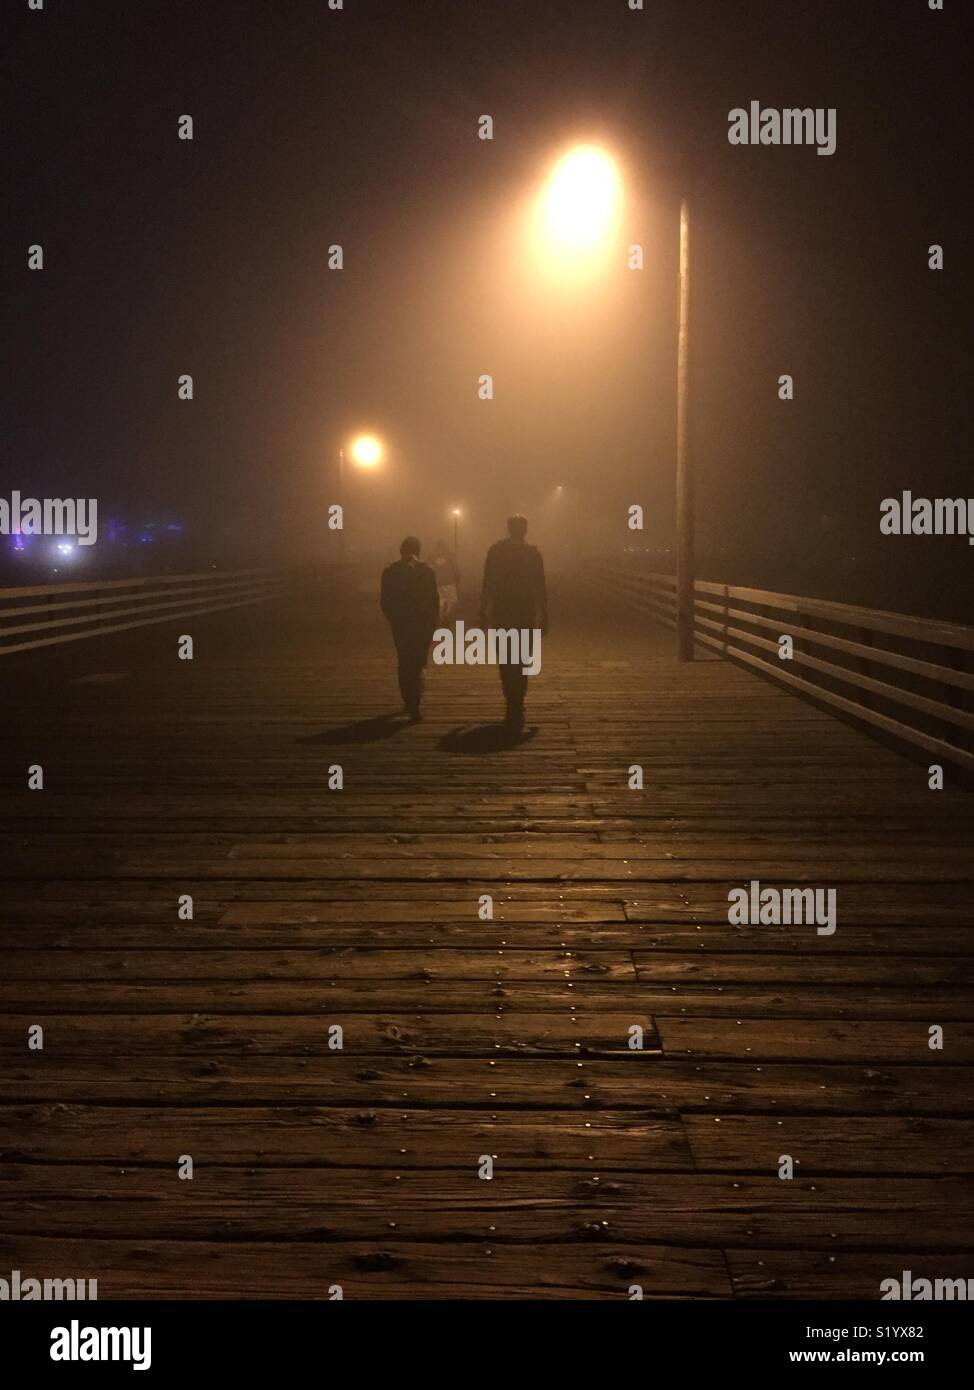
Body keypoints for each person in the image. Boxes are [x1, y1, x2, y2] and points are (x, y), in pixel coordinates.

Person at [480, 514, 548, 731]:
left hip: (503, 612)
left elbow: (487, 581)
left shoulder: (496, 551)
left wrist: (483, 609)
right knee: (522, 660)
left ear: (509, 529)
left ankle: (511, 701)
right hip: (524, 613)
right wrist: (544, 614)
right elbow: (540, 585)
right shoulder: (533, 553)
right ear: (525, 530)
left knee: (506, 660)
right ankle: (518, 703)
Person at [380, 536, 440, 721]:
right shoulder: (427, 571)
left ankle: (408, 700)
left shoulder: (390, 572)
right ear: (419, 551)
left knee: (404, 660)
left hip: (401, 624)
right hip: (422, 624)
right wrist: (432, 623)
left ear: (401, 550)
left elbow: (385, 600)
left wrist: (393, 619)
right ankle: (415, 702)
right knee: (419, 662)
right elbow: (434, 601)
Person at [430, 538, 460, 620]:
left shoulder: (432, 556)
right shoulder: (450, 555)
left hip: (437, 582)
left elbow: (428, 569)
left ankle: (441, 617)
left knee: (440, 601)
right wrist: (457, 578)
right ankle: (447, 614)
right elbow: (456, 568)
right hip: (449, 582)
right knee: (451, 600)